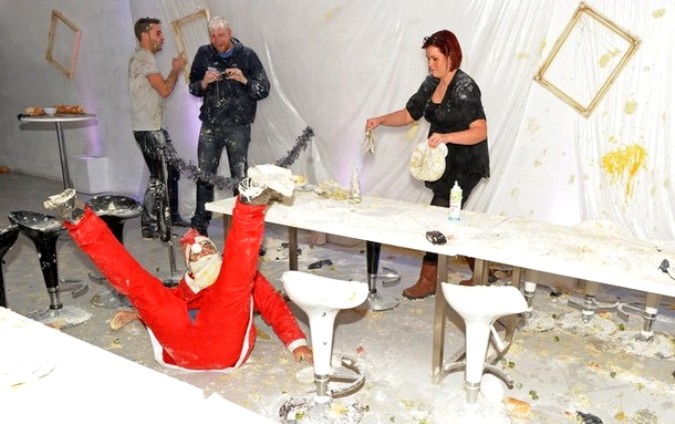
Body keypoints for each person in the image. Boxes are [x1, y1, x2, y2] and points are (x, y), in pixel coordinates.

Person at [44, 165, 312, 370]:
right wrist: (138, 314)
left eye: (206, 247)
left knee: (236, 279)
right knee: (140, 287)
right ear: (189, 267)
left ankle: (250, 203)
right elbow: (163, 306)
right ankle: (79, 220)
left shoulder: (242, 278)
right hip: (181, 346)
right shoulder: (187, 285)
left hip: (222, 344)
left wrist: (296, 343)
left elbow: (275, 308)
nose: (200, 252)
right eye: (193, 254)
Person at [365, 30, 489, 299]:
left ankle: (428, 279)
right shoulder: (431, 83)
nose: (430, 65)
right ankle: (483, 270)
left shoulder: (466, 87)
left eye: (435, 59)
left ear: (450, 56)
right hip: (442, 160)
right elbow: (410, 114)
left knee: (439, 214)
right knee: (451, 217)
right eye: (428, 59)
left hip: (466, 162)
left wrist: (446, 136)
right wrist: (381, 120)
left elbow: (480, 131)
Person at [188, 16, 271, 236]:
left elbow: (264, 89)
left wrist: (244, 79)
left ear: (230, 33)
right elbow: (193, 87)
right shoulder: (203, 54)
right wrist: (204, 82)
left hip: (238, 126)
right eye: (213, 36)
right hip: (210, 124)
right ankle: (199, 228)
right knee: (204, 176)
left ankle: (242, 229)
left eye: (221, 35)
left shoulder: (247, 55)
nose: (217, 40)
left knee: (240, 178)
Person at [129, 17, 190, 242]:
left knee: (169, 171)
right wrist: (175, 70)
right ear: (144, 35)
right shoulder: (144, 58)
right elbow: (164, 90)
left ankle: (168, 217)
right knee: (159, 177)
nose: (162, 38)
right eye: (158, 33)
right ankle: (152, 225)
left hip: (154, 127)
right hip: (148, 129)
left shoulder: (144, 58)